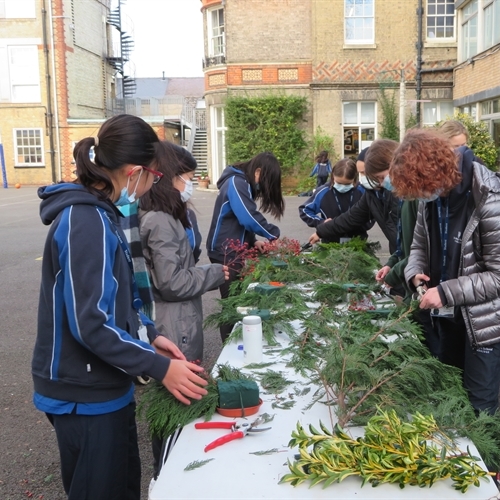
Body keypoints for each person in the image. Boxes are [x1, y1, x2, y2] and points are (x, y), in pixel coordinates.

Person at [32, 114, 208, 500]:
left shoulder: (103, 214)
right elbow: (91, 324)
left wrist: (152, 337)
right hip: (83, 393)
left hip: (105, 386)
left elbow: (121, 302)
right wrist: (161, 368)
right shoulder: (85, 220)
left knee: (123, 485)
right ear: (134, 172)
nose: (152, 186)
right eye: (155, 177)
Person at [392, 128, 500, 415]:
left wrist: (444, 292)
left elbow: (497, 276)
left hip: (483, 325)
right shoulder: (431, 199)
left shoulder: (488, 195)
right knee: (450, 396)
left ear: (437, 171)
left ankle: (487, 461)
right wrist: (414, 272)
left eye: (423, 190)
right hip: (446, 318)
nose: (422, 198)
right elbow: (418, 246)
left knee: (480, 408)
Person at [139, 142, 229, 363]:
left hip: (177, 320)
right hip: (174, 327)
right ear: (171, 177)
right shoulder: (160, 221)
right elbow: (172, 283)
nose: (191, 185)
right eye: (188, 178)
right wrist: (214, 273)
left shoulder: (166, 215)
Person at [206, 151, 285, 342]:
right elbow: (247, 216)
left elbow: (239, 222)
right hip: (224, 252)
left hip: (235, 251)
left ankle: (239, 342)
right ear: (258, 172)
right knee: (232, 304)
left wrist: (253, 241)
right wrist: (272, 234)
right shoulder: (236, 182)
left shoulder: (242, 183)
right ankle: (229, 349)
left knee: (239, 299)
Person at [308, 140, 400, 256]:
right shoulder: (372, 195)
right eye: (360, 173)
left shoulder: (405, 195)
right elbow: (350, 218)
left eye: (365, 173)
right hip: (400, 256)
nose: (363, 178)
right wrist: (321, 232)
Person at [299, 158, 372, 243]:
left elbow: (372, 212)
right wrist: (320, 222)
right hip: (330, 241)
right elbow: (304, 210)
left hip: (358, 240)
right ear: (333, 176)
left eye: (347, 184)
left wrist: (363, 225)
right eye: (339, 183)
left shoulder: (363, 191)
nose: (342, 186)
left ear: (354, 179)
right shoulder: (323, 191)